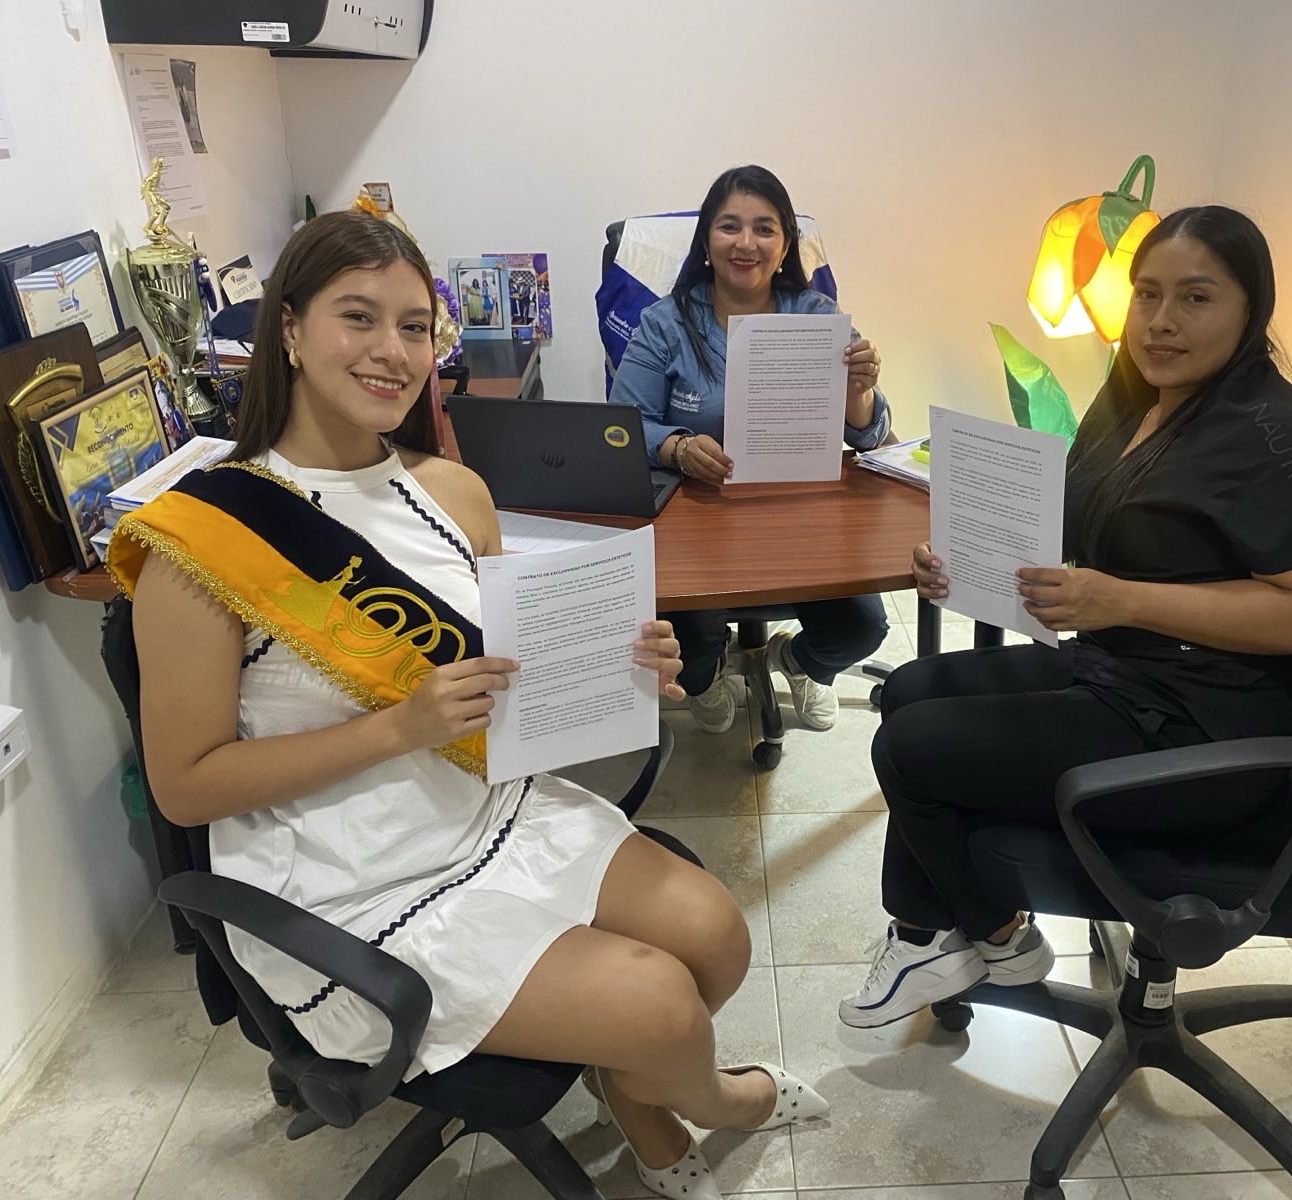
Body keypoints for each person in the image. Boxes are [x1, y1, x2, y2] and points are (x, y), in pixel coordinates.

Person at [109, 211, 827, 1200]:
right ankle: (720, 1103)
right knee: (661, 1008)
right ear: (290, 329)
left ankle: (638, 1092)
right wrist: (398, 728)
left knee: (717, 936)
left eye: (414, 327)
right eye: (358, 317)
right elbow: (186, 790)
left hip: (486, 808)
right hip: (343, 878)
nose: (392, 350)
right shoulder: (200, 543)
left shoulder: (453, 492)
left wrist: (623, 666)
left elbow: (501, 671)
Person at [842, 206, 1292, 1029]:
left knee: (910, 748)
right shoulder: (1134, 394)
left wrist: (1120, 599)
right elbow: (1077, 524)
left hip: (1204, 735)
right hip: (1120, 674)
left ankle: (978, 934)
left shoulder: (1277, 436)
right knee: (907, 690)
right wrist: (962, 556)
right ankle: (951, 936)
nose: (1160, 321)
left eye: (1195, 298)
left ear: (1251, 309)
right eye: (1147, 294)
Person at [610, 165, 892, 735]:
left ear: (786, 244)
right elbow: (620, 428)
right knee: (688, 649)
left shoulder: (816, 317)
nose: (746, 243)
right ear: (706, 240)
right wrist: (677, 447)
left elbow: (870, 438)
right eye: (729, 226)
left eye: (764, 229)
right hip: (699, 519)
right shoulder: (665, 323)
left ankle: (799, 662)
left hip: (798, 518)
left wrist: (858, 393)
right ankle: (708, 676)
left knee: (862, 627)